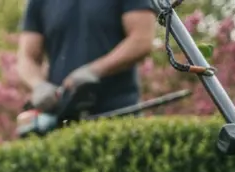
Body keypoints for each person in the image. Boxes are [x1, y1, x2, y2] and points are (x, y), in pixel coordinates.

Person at [16, 0, 158, 119]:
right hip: (62, 117)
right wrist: (38, 85)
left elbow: (141, 40)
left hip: (118, 112)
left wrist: (94, 71)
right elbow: (27, 57)